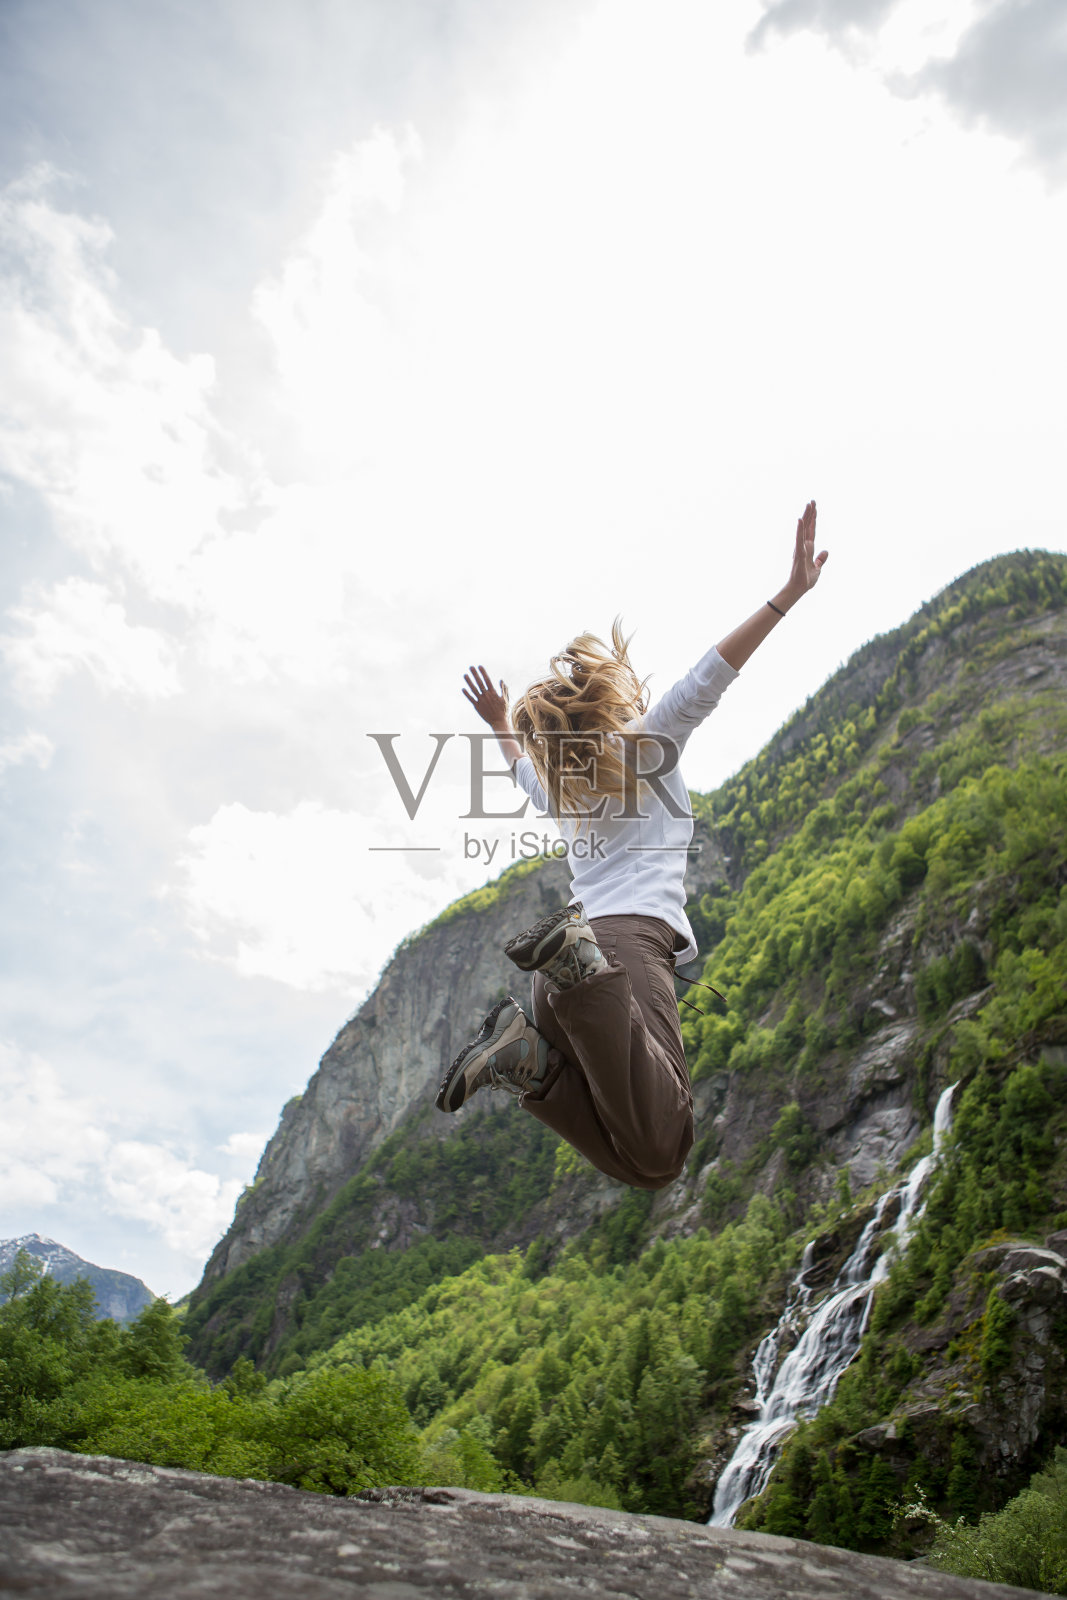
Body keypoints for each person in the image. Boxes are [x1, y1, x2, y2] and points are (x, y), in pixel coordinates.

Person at [435, 501, 828, 1191]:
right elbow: (708, 676)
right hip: (616, 955)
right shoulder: (645, 744)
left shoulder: (562, 789)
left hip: (560, 982)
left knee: (648, 1164)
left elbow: (519, 769)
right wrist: (787, 595)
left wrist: (500, 723)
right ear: (608, 703)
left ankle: (525, 1058)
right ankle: (571, 975)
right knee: (664, 1144)